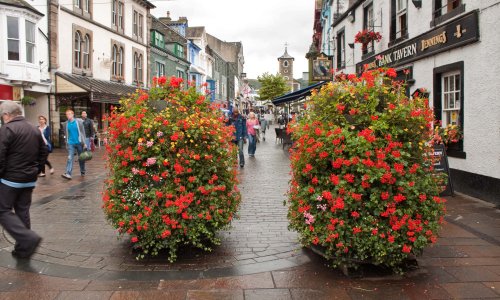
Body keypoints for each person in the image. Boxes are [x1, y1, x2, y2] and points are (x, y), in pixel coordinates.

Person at [0, 101, 46, 259]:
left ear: (6, 115)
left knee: (2, 210)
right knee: (22, 210)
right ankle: (23, 249)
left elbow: (1, 155)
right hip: (29, 179)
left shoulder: (7, 129)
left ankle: (28, 239)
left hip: (10, 179)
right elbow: (44, 151)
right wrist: (36, 169)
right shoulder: (34, 129)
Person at [61, 110, 87, 180]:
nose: (68, 115)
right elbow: (66, 134)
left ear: (73, 114)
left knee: (81, 158)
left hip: (79, 142)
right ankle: (68, 173)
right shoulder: (65, 124)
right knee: (70, 158)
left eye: (69, 114)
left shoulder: (79, 122)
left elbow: (82, 133)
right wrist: (66, 142)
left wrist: (84, 143)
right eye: (67, 114)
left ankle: (82, 171)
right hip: (70, 143)